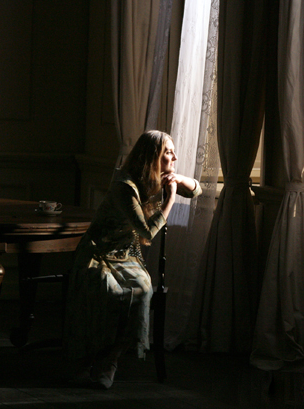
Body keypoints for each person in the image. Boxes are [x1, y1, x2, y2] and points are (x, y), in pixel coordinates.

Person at [64, 130, 201, 389]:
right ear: (152, 157)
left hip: (126, 256)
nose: (174, 156)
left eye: (172, 151)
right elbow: (146, 232)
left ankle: (110, 361)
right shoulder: (125, 187)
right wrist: (170, 199)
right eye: (167, 152)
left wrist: (180, 179)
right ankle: (85, 360)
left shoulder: (157, 179)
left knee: (141, 289)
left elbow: (197, 190)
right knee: (107, 290)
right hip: (98, 254)